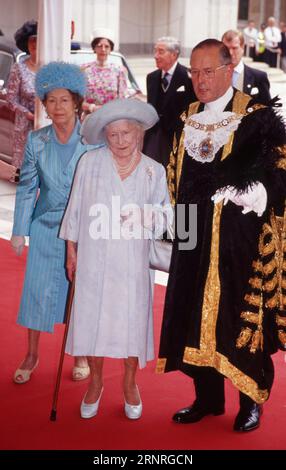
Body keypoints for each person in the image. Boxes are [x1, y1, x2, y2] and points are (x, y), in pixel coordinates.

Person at [157, 39, 286, 432]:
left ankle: (251, 400)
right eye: (194, 72)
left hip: (239, 243)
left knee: (239, 320)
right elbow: (174, 177)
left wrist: (259, 191)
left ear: (230, 68)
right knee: (192, 314)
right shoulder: (185, 117)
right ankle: (207, 398)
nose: (199, 80)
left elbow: (281, 170)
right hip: (193, 238)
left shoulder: (256, 116)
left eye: (208, 71)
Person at [59, 98, 171, 420]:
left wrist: (146, 214)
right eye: (113, 135)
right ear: (105, 136)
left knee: (131, 324)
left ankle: (129, 383)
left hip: (134, 262)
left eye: (126, 134)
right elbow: (76, 209)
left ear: (139, 134)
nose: (120, 141)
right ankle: (95, 382)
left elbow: (166, 217)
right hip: (95, 258)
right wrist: (71, 250)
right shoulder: (89, 164)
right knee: (93, 320)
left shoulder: (154, 171)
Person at [11, 61, 100, 384]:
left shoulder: (94, 139)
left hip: (84, 231)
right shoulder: (37, 141)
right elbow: (27, 187)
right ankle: (32, 354)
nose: (58, 106)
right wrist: (20, 230)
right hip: (45, 226)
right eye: (51, 100)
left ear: (76, 102)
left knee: (79, 294)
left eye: (65, 100)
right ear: (44, 105)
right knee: (36, 292)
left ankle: (80, 354)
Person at [143, 36, 196, 168]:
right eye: (155, 51)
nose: (156, 56)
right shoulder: (152, 77)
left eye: (161, 52)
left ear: (174, 54)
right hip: (154, 139)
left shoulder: (189, 77)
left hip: (178, 140)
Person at [6, 20, 39, 169]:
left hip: (47, 125)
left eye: (38, 40)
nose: (34, 44)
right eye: (31, 40)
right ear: (26, 43)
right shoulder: (18, 68)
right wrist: (28, 114)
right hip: (25, 126)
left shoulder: (49, 67)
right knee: (24, 168)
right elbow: (11, 100)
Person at [81, 28, 128, 115]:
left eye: (106, 46)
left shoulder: (119, 70)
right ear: (94, 48)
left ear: (110, 49)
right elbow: (78, 100)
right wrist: (92, 107)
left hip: (112, 117)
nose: (103, 49)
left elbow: (122, 100)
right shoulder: (84, 70)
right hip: (90, 117)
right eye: (99, 46)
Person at [222, 30, 271, 104]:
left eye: (234, 48)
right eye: (226, 48)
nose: (230, 53)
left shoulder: (259, 77)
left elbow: (268, 110)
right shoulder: (212, 75)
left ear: (242, 48)